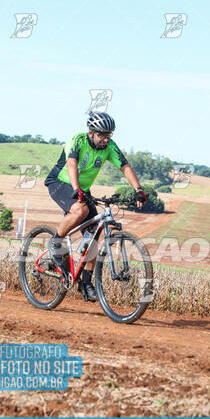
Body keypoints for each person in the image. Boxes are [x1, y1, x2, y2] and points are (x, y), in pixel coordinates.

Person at [44, 111, 147, 302]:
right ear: (91, 132)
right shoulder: (78, 140)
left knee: (93, 234)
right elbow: (72, 163)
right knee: (81, 210)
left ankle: (86, 282)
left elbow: (125, 166)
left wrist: (138, 189)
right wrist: (77, 189)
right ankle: (56, 242)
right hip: (60, 183)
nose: (106, 139)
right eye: (102, 135)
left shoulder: (109, 147)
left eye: (109, 135)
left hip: (81, 189)